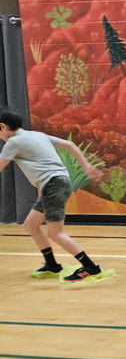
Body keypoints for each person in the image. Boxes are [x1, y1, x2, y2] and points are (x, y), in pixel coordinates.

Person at [0, 109, 110, 283]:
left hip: (53, 185)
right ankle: (52, 264)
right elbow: (70, 145)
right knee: (31, 224)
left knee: (55, 233)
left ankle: (90, 268)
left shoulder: (13, 142)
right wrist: (86, 166)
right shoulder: (37, 135)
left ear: (3, 126)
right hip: (57, 183)